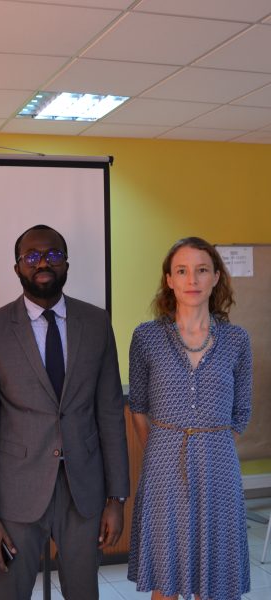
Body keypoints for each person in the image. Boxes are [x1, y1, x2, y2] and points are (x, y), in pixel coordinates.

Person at [0, 224, 129, 600]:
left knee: (84, 593)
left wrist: (117, 500)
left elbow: (109, 414)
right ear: (17, 267)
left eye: (53, 255)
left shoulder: (96, 323)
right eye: (32, 256)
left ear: (66, 263)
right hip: (15, 494)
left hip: (83, 491)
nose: (43, 263)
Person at [127, 237, 252, 600]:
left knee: (215, 582)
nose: (192, 279)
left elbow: (241, 412)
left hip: (219, 468)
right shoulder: (146, 337)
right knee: (165, 582)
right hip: (163, 467)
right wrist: (160, 450)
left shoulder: (237, 340)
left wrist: (211, 445)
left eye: (202, 270)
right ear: (169, 279)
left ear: (216, 277)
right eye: (182, 271)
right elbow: (138, 406)